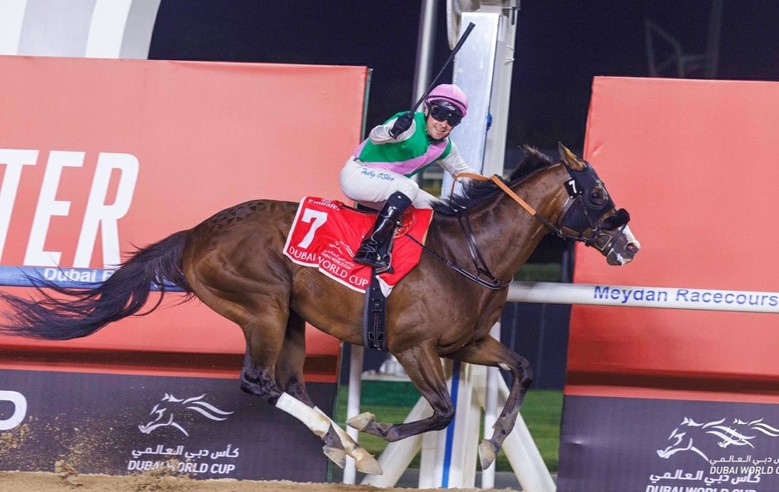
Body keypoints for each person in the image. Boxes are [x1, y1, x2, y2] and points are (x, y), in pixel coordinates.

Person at [340, 83, 479, 273]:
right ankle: (369, 248)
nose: (443, 124)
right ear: (427, 109)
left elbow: (464, 173)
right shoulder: (410, 123)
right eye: (439, 114)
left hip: (387, 188)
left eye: (452, 119)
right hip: (357, 175)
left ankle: (407, 257)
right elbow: (375, 136)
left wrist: (495, 186)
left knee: (437, 209)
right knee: (409, 187)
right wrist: (392, 131)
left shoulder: (446, 147)